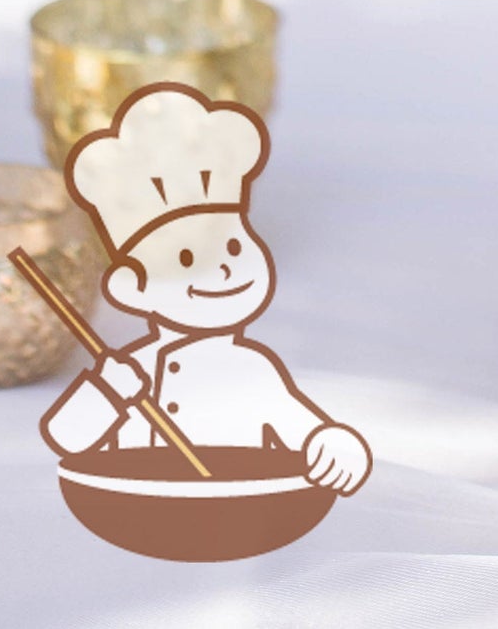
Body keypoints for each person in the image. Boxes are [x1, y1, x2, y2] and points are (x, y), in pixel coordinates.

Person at [40, 81, 371, 496]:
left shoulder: (253, 370)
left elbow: (304, 433)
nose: (227, 270)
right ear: (133, 289)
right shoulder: (130, 370)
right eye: (186, 259)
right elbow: (68, 437)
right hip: (136, 514)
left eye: (233, 246)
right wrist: (107, 392)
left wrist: (333, 444)